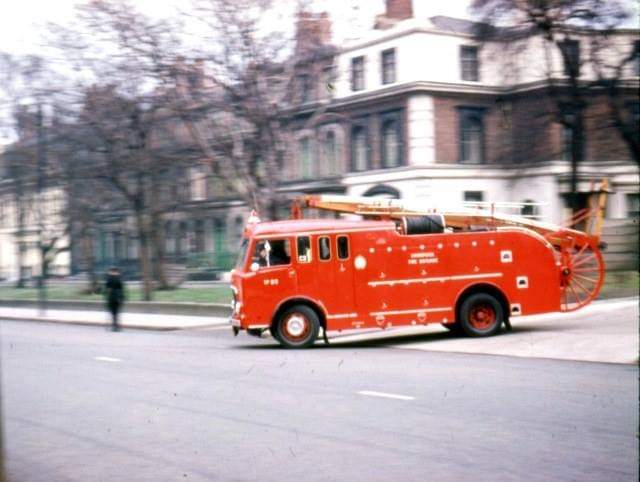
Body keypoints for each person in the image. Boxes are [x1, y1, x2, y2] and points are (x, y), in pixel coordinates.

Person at [104, 267, 125, 331]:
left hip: (112, 298)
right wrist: (122, 298)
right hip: (117, 298)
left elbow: (106, 288)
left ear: (112, 272)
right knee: (116, 313)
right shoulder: (119, 278)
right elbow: (122, 289)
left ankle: (115, 326)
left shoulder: (110, 279)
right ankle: (116, 326)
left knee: (114, 313)